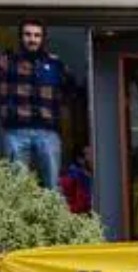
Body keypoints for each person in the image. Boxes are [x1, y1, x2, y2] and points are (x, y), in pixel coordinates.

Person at [0, 19, 75, 189]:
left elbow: (71, 91)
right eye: (27, 35)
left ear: (43, 39)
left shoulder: (55, 64)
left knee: (51, 187)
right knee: (16, 189)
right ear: (20, 37)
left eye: (37, 35)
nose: (32, 39)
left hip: (48, 132)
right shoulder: (6, 62)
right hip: (15, 132)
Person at [59, 144, 93, 214]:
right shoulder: (73, 177)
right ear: (80, 159)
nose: (92, 158)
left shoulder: (92, 176)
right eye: (88, 154)